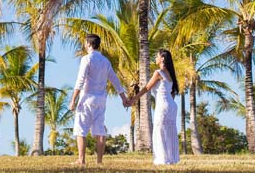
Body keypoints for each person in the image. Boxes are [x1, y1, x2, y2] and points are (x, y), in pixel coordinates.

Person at [69, 33, 128, 166]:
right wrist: (123, 98)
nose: (85, 45)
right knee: (100, 130)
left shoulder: (86, 59)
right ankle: (99, 161)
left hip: (87, 98)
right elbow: (115, 80)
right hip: (101, 99)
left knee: (81, 129)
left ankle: (81, 160)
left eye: (85, 43)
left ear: (89, 44)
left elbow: (80, 80)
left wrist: (73, 100)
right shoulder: (105, 61)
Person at [129, 48, 180, 165]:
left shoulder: (158, 73)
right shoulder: (170, 74)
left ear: (162, 58)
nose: (155, 58)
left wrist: (134, 99)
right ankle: (171, 158)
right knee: (169, 131)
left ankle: (162, 159)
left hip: (163, 105)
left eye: (157, 56)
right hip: (171, 105)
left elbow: (147, 88)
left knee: (160, 130)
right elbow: (171, 92)